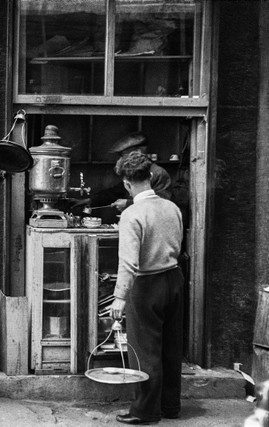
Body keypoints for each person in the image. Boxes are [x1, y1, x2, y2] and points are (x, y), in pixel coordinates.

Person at [109, 151, 184, 424]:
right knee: (171, 347)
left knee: (144, 350)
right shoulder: (171, 208)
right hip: (174, 278)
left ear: (127, 184)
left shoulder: (132, 214)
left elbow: (128, 262)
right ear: (150, 177)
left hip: (147, 283)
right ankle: (170, 407)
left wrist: (119, 297)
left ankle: (145, 411)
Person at [72, 132, 172, 213]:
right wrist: (90, 200)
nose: (121, 159)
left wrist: (128, 203)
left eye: (123, 155)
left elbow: (161, 204)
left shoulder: (159, 173)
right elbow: (115, 192)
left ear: (138, 152)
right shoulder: (132, 172)